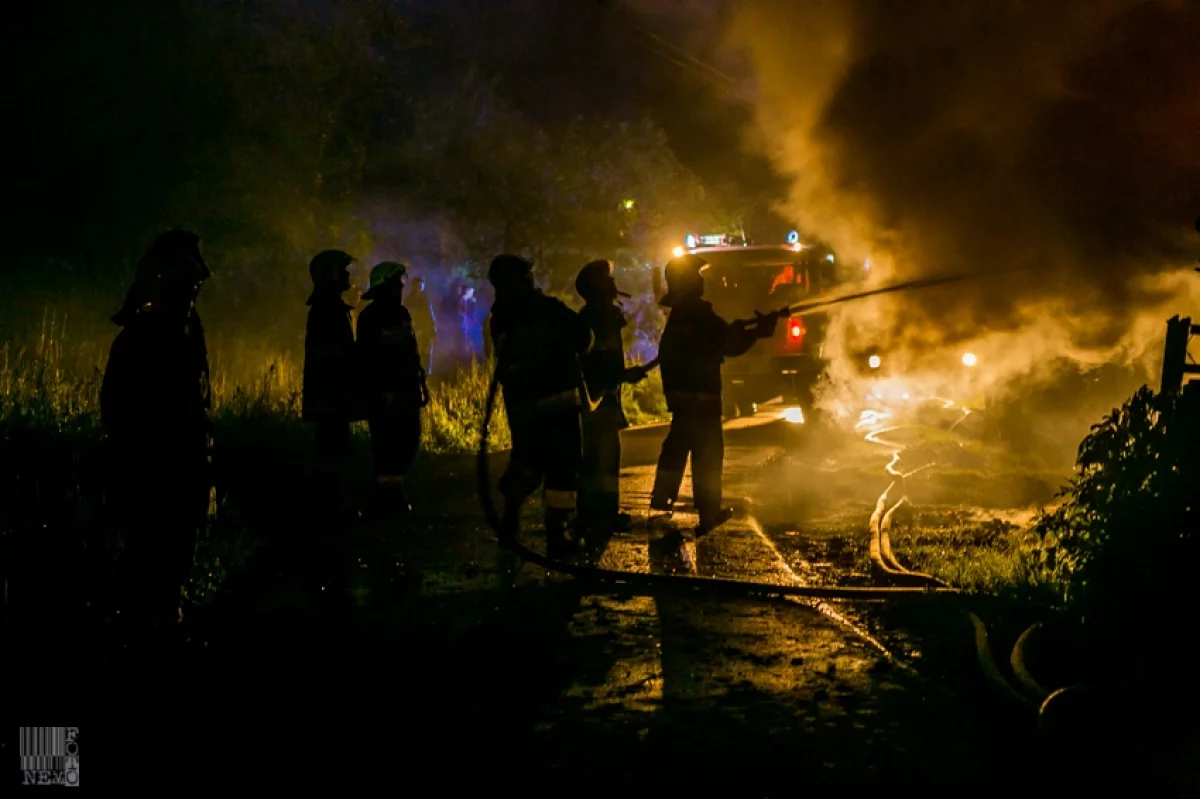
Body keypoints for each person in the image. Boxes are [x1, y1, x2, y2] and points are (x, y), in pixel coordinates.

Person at [101, 229, 212, 647]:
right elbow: (120, 410)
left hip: (184, 455)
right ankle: (144, 628)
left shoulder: (188, 326)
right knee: (150, 543)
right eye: (191, 275)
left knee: (179, 540)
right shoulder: (144, 333)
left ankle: (166, 618)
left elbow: (197, 400)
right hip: (152, 461)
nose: (199, 281)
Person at [649, 253, 778, 534]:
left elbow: (717, 339)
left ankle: (661, 504)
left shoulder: (683, 314)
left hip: (684, 396)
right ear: (688, 282)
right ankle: (708, 512)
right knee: (708, 454)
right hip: (701, 395)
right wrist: (759, 332)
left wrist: (746, 330)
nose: (701, 281)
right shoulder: (698, 313)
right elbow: (727, 344)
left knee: (677, 447)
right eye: (697, 277)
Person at [488, 254, 592, 555]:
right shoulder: (547, 310)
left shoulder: (500, 318)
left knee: (527, 463)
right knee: (563, 469)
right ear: (524, 278)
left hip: (522, 406)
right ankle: (557, 536)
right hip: (558, 404)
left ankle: (510, 517)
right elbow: (583, 338)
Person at [574, 259, 649, 533]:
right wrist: (622, 376)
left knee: (601, 459)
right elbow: (596, 364)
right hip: (597, 399)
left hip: (602, 397)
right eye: (609, 280)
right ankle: (597, 516)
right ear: (597, 288)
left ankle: (600, 514)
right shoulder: (596, 320)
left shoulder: (599, 317)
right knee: (601, 459)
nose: (615, 284)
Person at [357, 261, 429, 514]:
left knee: (409, 440)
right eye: (398, 282)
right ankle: (387, 499)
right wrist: (380, 391)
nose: (401, 287)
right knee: (387, 443)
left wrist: (420, 381)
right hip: (385, 391)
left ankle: (392, 493)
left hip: (407, 387)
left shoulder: (402, 314)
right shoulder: (369, 318)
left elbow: (411, 349)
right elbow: (367, 358)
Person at [302, 249, 360, 523]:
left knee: (334, 445)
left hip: (333, 394)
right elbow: (329, 354)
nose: (348, 274)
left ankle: (331, 505)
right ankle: (330, 509)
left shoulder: (330, 307)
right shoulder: (327, 310)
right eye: (343, 269)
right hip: (331, 395)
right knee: (332, 447)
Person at [404, 275, 437, 376]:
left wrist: (433, 330)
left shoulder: (426, 298)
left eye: (421, 286)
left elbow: (430, 315)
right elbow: (407, 315)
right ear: (413, 286)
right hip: (415, 330)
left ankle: (427, 374)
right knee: (415, 352)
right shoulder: (409, 299)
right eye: (418, 285)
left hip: (426, 329)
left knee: (426, 352)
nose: (420, 288)